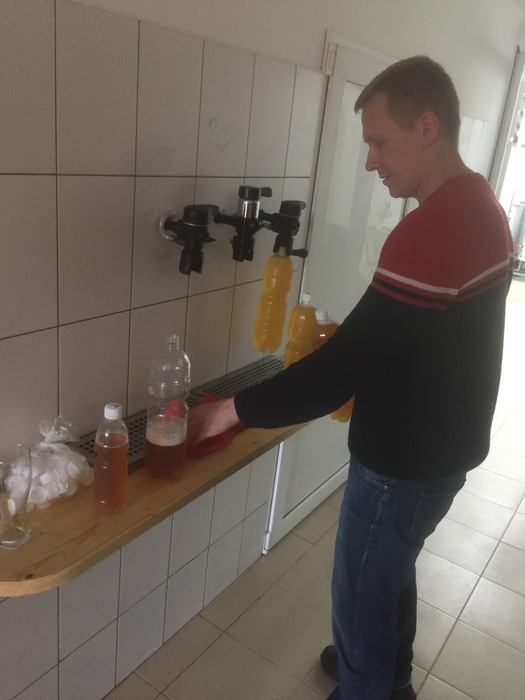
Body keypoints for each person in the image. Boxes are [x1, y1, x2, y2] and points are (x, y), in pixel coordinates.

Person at [187, 56, 514, 700]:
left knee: (362, 595)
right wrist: (365, 341)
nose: (370, 162)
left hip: (403, 464)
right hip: (444, 449)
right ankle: (393, 681)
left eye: (379, 142)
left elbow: (332, 379)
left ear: (427, 127)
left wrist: (229, 410)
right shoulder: (480, 203)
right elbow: (430, 336)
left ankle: (369, 685)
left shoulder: (432, 227)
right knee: (392, 572)